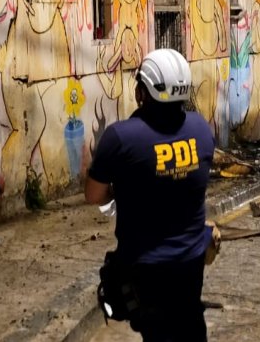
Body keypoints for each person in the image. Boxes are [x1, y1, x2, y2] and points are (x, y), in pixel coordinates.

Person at [85, 48, 215, 341]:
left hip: (146, 266)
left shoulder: (120, 137)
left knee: (157, 332)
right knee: (190, 324)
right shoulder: (201, 128)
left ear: (143, 92)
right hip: (192, 260)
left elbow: (93, 195)